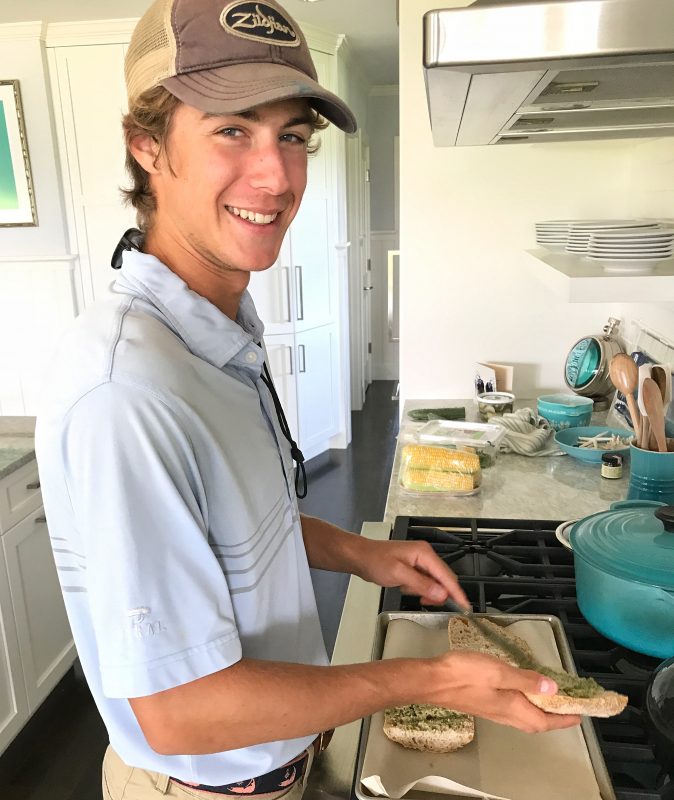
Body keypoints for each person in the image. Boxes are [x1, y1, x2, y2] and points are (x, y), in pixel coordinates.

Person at [35, 1, 580, 798]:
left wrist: (361, 553)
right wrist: (427, 680)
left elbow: (229, 521)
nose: (277, 176)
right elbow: (181, 711)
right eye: (232, 129)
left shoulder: (218, 330)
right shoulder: (128, 392)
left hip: (278, 758)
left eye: (292, 135)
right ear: (147, 146)